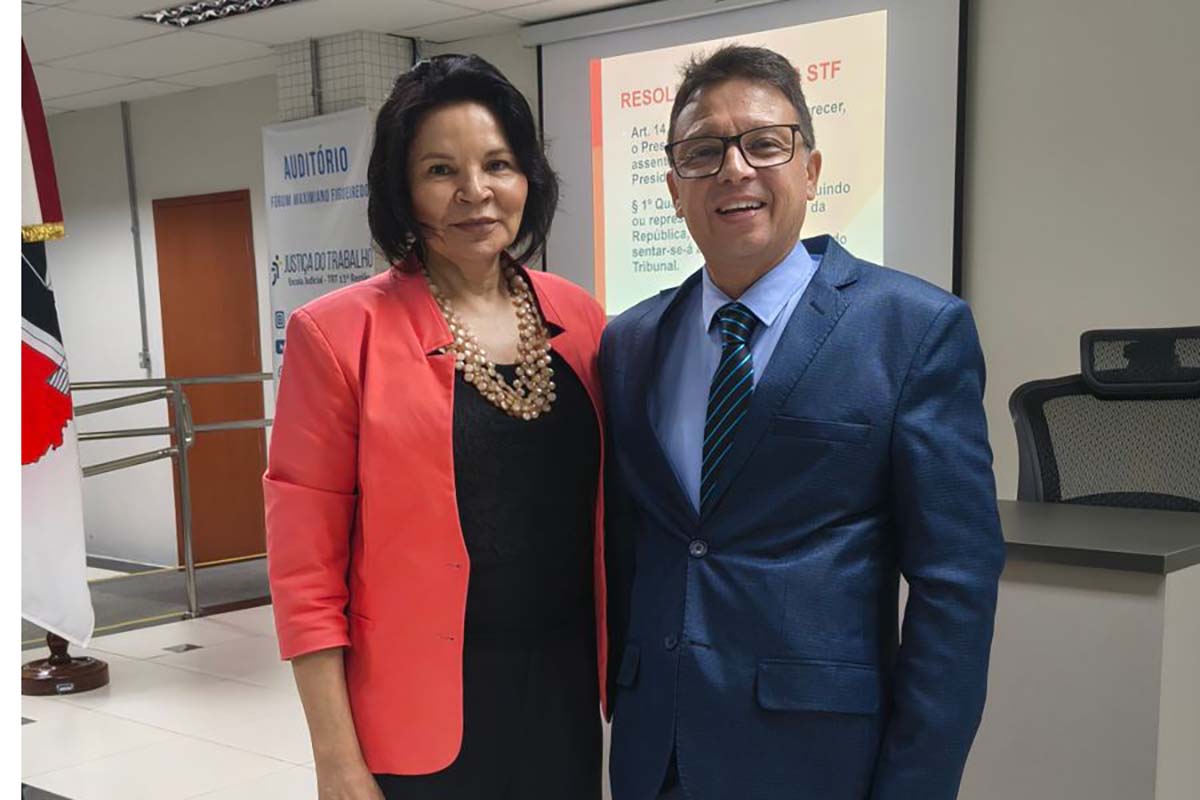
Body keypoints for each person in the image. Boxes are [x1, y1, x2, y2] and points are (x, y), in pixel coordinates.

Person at [601, 44, 1005, 800]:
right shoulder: (628, 344)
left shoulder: (912, 330)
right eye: (702, 152)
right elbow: (635, 549)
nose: (734, 168)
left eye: (764, 143)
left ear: (811, 170)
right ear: (673, 189)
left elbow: (957, 588)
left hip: (819, 762)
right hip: (659, 754)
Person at [265, 54, 609, 800]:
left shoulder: (579, 318)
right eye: (440, 170)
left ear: (529, 179)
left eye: (498, 164)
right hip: (422, 715)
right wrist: (335, 758)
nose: (475, 193)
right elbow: (306, 574)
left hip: (564, 694)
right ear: (404, 191)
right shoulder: (336, 335)